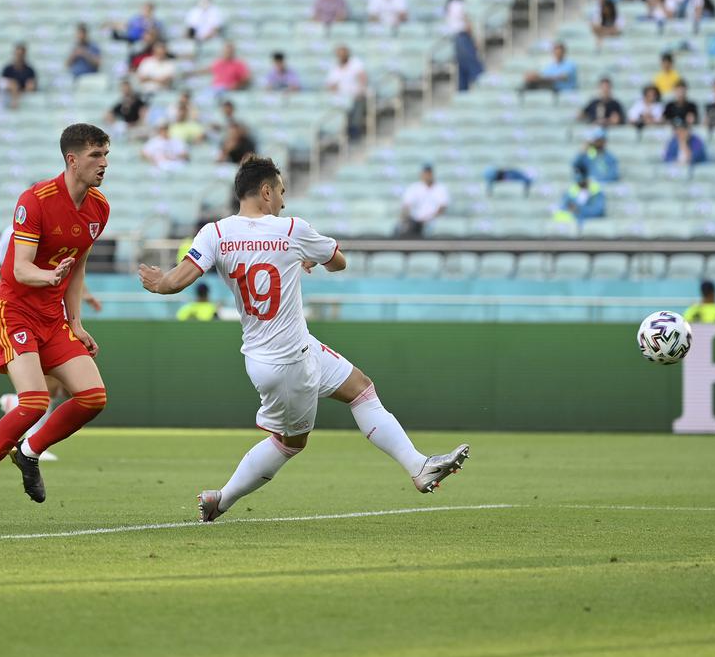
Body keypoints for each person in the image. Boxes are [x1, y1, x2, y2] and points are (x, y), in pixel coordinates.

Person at [137, 156, 469, 522]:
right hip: (289, 359)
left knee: (361, 388)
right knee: (289, 443)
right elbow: (339, 262)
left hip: (274, 353)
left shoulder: (215, 233)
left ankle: (419, 465)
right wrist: (309, 257)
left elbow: (176, 281)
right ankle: (222, 500)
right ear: (265, 192)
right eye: (280, 192)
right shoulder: (292, 229)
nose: (283, 201)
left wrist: (157, 282)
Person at [0, 123, 111, 520]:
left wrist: (75, 324)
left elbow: (77, 271)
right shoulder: (36, 200)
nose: (104, 164)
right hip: (14, 311)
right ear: (72, 160)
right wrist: (48, 277)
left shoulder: (99, 208)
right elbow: (21, 270)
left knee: (93, 397)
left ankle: (28, 451)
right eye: (96, 155)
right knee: (36, 400)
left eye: (106, 155)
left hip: (52, 319)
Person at [0, 225, 102, 466]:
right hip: (20, 316)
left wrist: (85, 298)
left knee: (63, 388)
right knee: (43, 389)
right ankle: (31, 442)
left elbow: (72, 270)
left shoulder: (66, 230)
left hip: (54, 316)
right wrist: (10, 295)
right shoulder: (13, 231)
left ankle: (28, 434)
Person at [446, 0, 484, 91]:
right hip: (462, 36)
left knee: (462, 65)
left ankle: (463, 90)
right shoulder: (458, 4)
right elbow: (466, 22)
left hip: (455, 37)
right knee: (473, 63)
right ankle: (481, 86)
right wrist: (474, 39)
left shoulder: (449, 5)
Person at [398, 164, 449, 237]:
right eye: (425, 173)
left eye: (429, 173)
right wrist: (405, 219)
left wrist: (428, 219)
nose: (427, 176)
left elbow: (442, 208)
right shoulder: (414, 187)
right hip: (415, 221)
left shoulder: (441, 188)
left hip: (433, 221)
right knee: (403, 228)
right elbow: (406, 206)